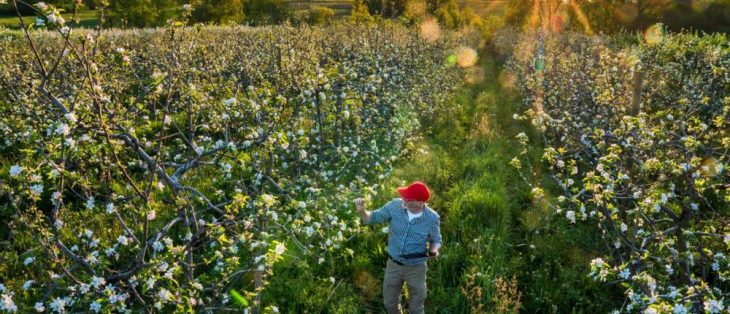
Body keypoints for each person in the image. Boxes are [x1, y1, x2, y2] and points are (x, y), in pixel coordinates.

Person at [354, 181, 442, 314]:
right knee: (389, 304)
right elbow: (370, 219)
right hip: (393, 265)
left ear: (419, 203)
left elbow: (436, 240)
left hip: (416, 268)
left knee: (417, 307)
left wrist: (434, 250)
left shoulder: (432, 218)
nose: (403, 199)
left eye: (408, 198)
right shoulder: (395, 205)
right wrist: (362, 212)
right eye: (404, 196)